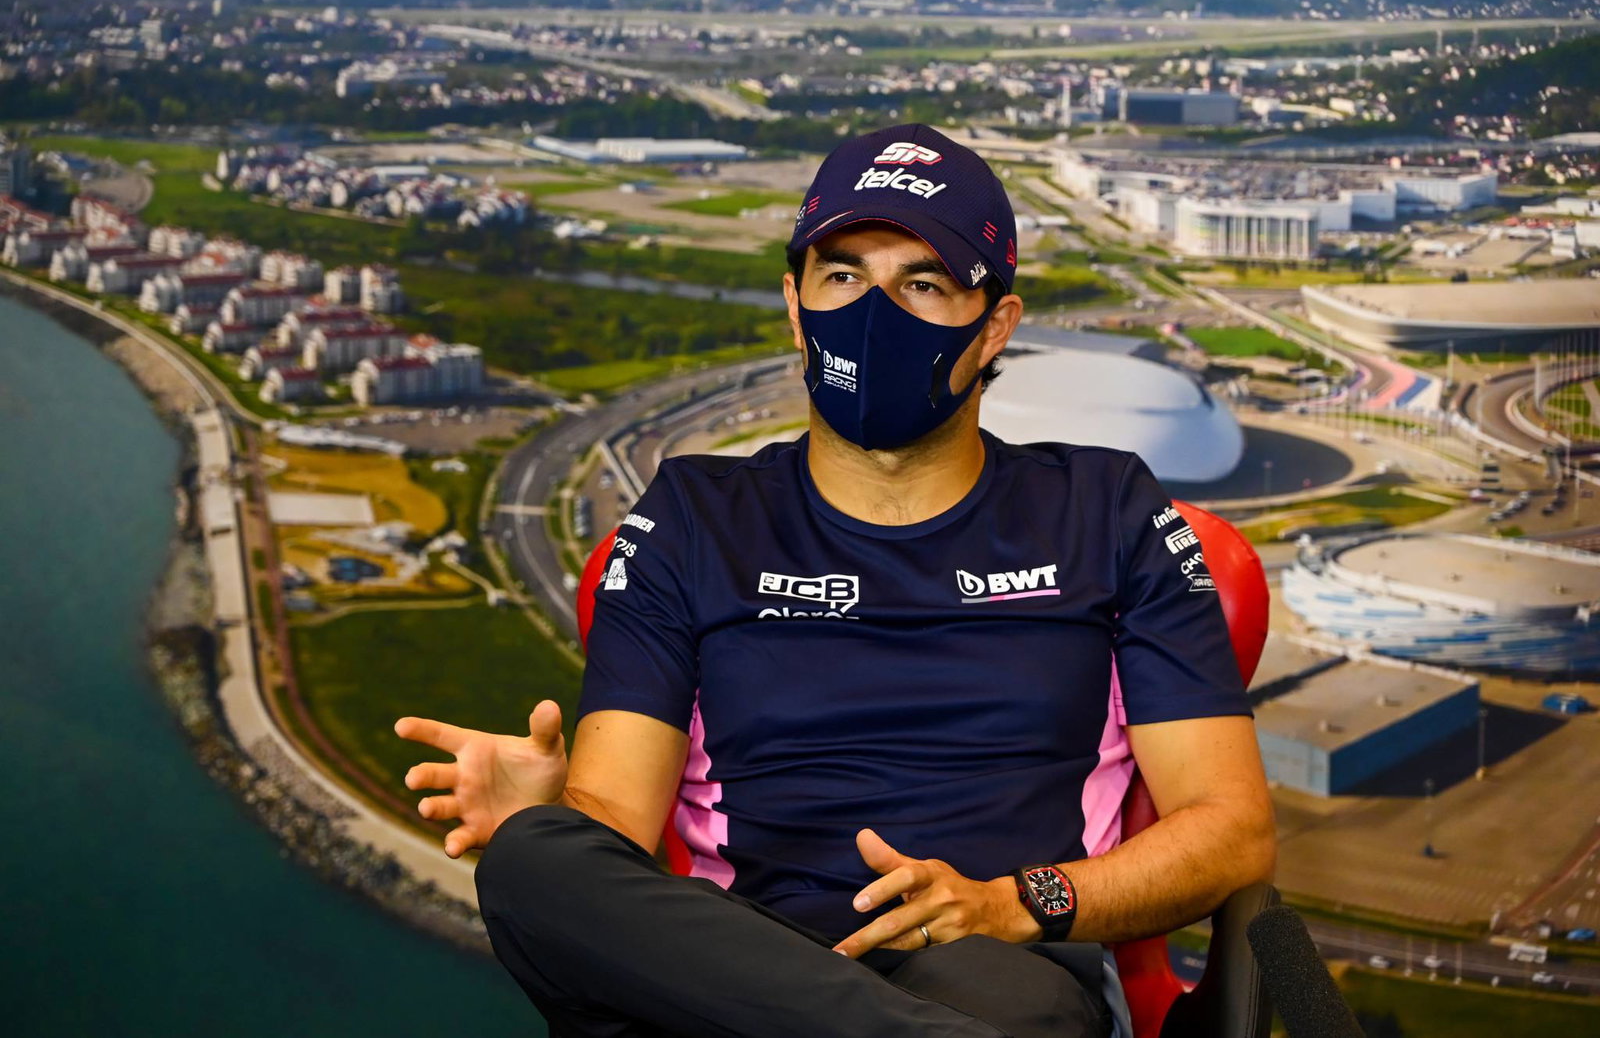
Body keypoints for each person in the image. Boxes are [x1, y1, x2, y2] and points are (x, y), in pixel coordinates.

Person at [396, 124, 1275, 1038]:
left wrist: (1015, 902)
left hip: (998, 960)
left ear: (995, 328)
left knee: (1018, 1011)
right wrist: (554, 811)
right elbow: (612, 821)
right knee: (533, 860)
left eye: (923, 283)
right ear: (794, 301)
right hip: (735, 960)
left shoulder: (1109, 511)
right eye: (843, 275)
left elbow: (1230, 829)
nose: (872, 311)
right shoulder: (691, 518)